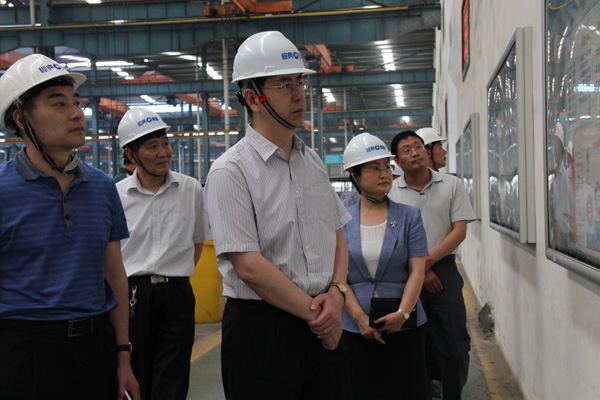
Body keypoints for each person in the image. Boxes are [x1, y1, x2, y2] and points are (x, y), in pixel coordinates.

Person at [204, 31, 352, 400]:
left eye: (299, 82)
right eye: (285, 85)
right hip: (262, 329)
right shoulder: (230, 171)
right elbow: (249, 267)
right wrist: (321, 315)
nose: (299, 94)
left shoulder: (312, 162)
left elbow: (336, 234)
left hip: (324, 317)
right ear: (253, 98)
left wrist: (337, 294)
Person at [0, 53, 140, 399]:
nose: (77, 113)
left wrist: (123, 354)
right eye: (58, 103)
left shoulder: (102, 186)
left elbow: (114, 273)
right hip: (24, 351)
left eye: (76, 102)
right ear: (21, 118)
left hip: (95, 347)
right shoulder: (3, 189)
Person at [116, 107, 211, 400]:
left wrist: (174, 277)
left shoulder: (191, 189)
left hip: (176, 295)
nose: (163, 153)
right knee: (137, 376)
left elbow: (197, 243)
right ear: (131, 154)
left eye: (165, 144)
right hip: (132, 296)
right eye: (152, 146)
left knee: (173, 377)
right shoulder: (117, 196)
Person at [340, 133, 429, 399]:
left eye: (387, 167)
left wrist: (402, 313)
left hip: (405, 325)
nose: (384, 174)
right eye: (374, 168)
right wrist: (360, 319)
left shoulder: (410, 217)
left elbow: (417, 271)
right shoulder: (341, 221)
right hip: (355, 328)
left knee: (407, 390)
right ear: (355, 175)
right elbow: (339, 277)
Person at [389, 130, 475, 400]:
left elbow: (459, 231)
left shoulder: (451, 185)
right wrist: (419, 270)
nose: (415, 152)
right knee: (413, 346)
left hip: (443, 271)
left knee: (454, 347)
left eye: (418, 146)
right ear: (397, 161)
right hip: (403, 273)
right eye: (406, 150)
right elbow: (390, 236)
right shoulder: (390, 191)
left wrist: (428, 262)